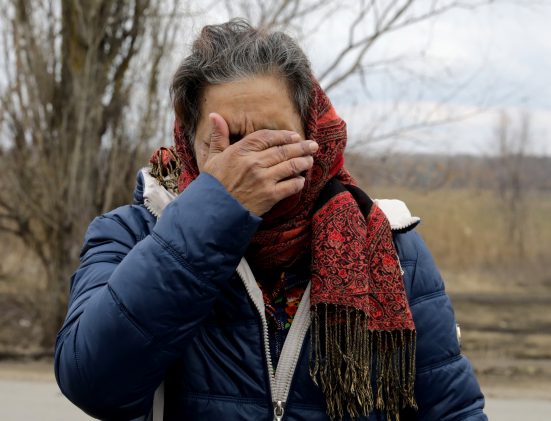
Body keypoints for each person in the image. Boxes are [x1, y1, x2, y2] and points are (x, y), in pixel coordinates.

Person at [54, 19, 487, 421]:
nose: (252, 162)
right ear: (188, 141)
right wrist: (215, 211)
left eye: (274, 138)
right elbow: (93, 384)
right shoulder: (131, 234)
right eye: (228, 143)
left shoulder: (390, 243)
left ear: (312, 133)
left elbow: (453, 410)